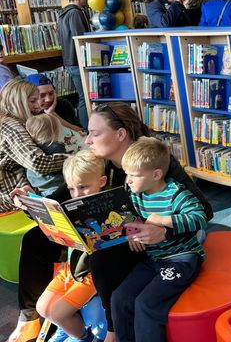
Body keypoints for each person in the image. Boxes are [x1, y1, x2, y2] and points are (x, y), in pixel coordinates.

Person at [8, 103, 213, 342]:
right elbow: (58, 200)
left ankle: (113, 331)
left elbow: (203, 211)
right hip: (112, 234)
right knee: (34, 238)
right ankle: (31, 316)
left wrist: (163, 230)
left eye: (95, 133)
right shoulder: (98, 162)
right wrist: (30, 201)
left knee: (102, 256)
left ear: (120, 134)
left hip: (150, 243)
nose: (87, 141)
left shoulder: (149, 160)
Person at [112, 137, 207, 342]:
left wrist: (164, 220)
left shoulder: (176, 194)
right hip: (154, 260)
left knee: (146, 304)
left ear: (156, 175)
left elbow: (199, 217)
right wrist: (132, 233)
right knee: (120, 298)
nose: (127, 180)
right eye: (126, 173)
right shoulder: (136, 194)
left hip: (183, 259)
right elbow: (131, 218)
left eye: (134, 175)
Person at [36, 151, 108, 342]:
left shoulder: (108, 208)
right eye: (72, 188)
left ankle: (83, 338)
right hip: (71, 267)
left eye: (83, 187)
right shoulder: (70, 205)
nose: (77, 194)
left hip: (91, 273)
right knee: (42, 308)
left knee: (59, 314)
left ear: (101, 181)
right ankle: (72, 330)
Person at [0, 79, 67, 213]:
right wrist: (73, 159)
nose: (39, 105)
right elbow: (38, 163)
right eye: (32, 101)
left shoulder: (10, 122)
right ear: (17, 102)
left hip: (19, 190)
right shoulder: (12, 127)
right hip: (12, 197)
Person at [58, 0, 91, 129]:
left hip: (69, 60)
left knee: (83, 97)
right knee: (86, 98)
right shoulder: (76, 13)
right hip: (78, 61)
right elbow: (80, 38)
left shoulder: (63, 14)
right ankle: (87, 129)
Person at [25, 113, 66, 196]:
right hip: (58, 187)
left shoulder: (32, 150)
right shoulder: (56, 147)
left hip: (40, 189)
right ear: (54, 131)